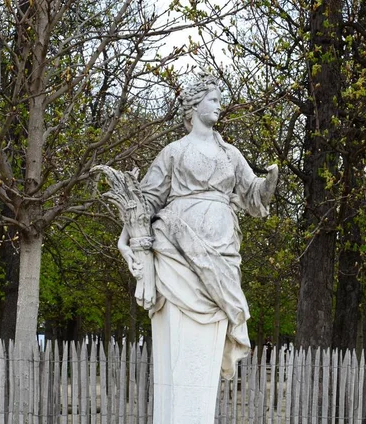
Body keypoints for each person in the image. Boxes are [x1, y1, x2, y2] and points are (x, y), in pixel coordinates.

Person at [118, 73, 278, 379]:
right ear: (195, 105)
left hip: (222, 245)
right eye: (213, 100)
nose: (219, 105)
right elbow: (148, 200)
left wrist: (269, 183)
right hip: (177, 244)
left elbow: (253, 195)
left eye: (220, 100)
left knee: (221, 316)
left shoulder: (230, 154)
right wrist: (130, 234)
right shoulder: (174, 151)